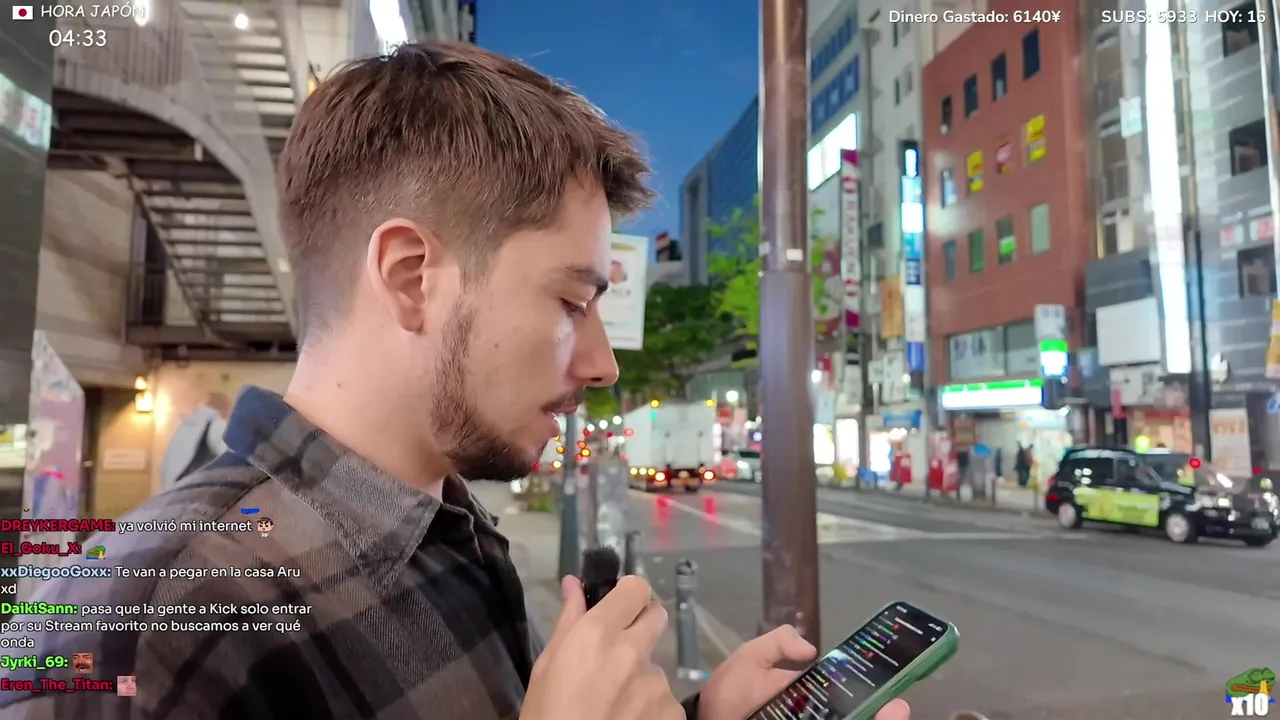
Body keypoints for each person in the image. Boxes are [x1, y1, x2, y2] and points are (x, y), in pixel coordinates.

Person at [0, 41, 909, 720]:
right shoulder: (132, 632)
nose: (602, 364)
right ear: (411, 277)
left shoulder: (449, 530)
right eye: (570, 301)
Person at [158, 391, 231, 488]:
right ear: (223, 407)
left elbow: (164, 469)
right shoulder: (216, 424)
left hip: (173, 490)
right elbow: (230, 459)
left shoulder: (183, 427)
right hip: (198, 490)